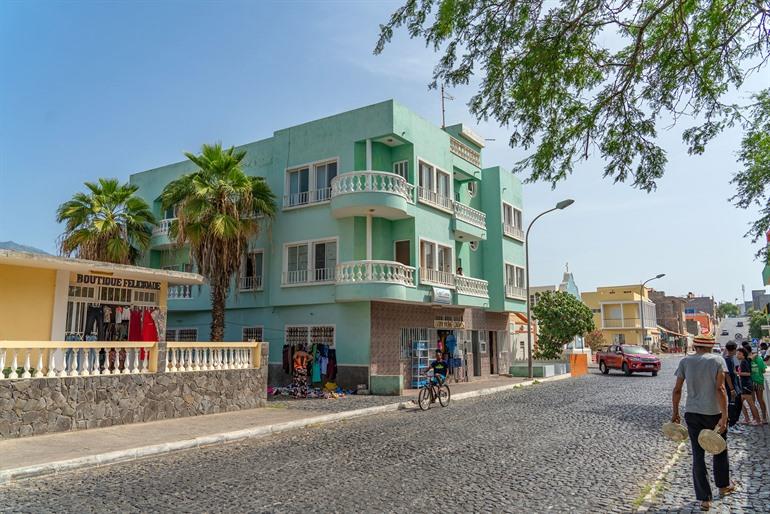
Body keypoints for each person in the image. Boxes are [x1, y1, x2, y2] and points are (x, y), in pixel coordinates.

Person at [671, 335, 735, 511]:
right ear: (711, 346)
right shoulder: (717, 360)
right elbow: (720, 389)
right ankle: (723, 486)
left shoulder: (685, 362)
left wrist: (675, 412)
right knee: (720, 449)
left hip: (692, 413)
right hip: (713, 413)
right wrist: (725, 415)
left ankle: (704, 499)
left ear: (695, 346)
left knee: (697, 455)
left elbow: (677, 389)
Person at [736, 347, 761, 426]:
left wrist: (737, 373)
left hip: (746, 385)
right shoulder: (746, 360)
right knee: (740, 402)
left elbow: (748, 373)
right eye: (737, 353)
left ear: (743, 355)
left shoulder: (744, 362)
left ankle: (758, 420)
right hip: (744, 385)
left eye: (739, 354)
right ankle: (747, 419)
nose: (737, 355)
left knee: (751, 403)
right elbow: (752, 356)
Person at [722, 342, 743, 434]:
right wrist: (731, 389)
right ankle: (731, 425)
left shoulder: (731, 358)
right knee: (732, 406)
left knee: (738, 404)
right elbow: (727, 375)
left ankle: (735, 422)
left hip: (736, 385)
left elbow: (733, 372)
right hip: (731, 387)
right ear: (734, 349)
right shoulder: (727, 360)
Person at [750, 345, 768, 424]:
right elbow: (764, 370)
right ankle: (764, 418)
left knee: (752, 401)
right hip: (759, 381)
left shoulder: (748, 359)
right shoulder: (759, 359)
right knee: (760, 400)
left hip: (750, 382)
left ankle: (755, 418)